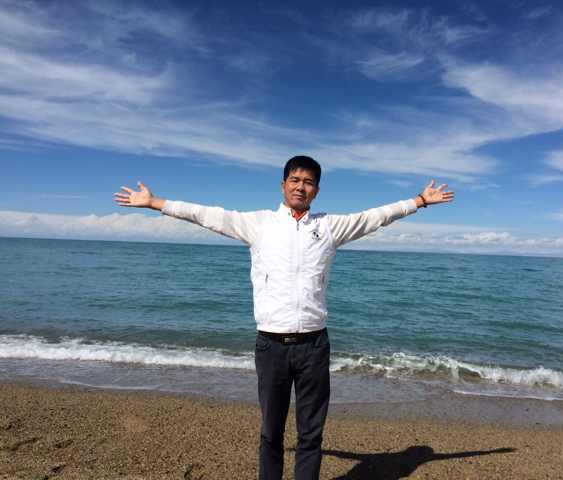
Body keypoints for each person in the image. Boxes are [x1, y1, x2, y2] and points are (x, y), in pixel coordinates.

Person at [113, 155, 454, 480]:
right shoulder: (259, 224)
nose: (300, 187)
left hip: (314, 346)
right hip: (271, 346)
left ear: (316, 190)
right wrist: (156, 203)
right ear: (283, 185)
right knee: (271, 432)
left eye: (308, 182)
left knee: (311, 434)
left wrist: (419, 201)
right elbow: (206, 215)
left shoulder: (329, 226)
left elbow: (375, 216)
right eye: (294, 180)